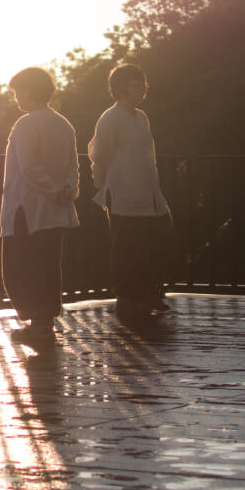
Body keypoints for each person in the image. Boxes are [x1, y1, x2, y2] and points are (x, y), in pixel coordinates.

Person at [0, 67, 80, 344]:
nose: (17, 98)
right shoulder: (63, 124)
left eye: (18, 92)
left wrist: (53, 189)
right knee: (48, 265)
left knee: (19, 264)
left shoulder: (26, 124)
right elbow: (73, 164)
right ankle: (44, 322)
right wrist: (67, 189)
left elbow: (29, 167)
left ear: (29, 91)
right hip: (56, 208)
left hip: (27, 207)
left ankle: (35, 323)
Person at [87, 63, 173, 315]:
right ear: (121, 88)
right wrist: (104, 186)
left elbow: (150, 154)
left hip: (147, 192)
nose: (142, 91)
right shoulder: (110, 117)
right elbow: (99, 156)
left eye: (143, 85)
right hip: (122, 191)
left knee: (154, 241)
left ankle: (148, 292)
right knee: (127, 246)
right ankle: (127, 297)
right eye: (136, 85)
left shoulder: (141, 117)